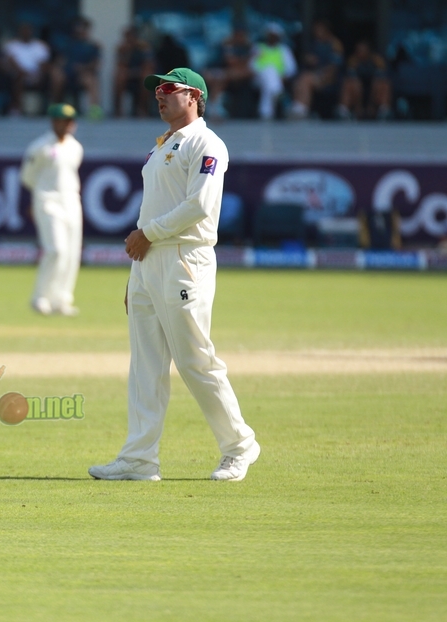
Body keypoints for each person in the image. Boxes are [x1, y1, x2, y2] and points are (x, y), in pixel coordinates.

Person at [88, 68, 259, 482]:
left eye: (168, 89)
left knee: (194, 358)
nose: (159, 96)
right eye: (156, 91)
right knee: (145, 364)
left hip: (185, 258)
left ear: (195, 96)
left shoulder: (206, 142)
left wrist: (149, 235)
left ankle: (239, 447)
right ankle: (139, 458)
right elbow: (153, 209)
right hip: (149, 261)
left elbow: (199, 206)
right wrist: (135, 274)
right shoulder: (162, 146)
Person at [20, 103, 84, 317]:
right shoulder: (40, 147)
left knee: (72, 252)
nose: (66, 125)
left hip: (72, 202)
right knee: (56, 249)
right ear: (53, 122)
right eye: (61, 121)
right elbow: (27, 177)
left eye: (69, 121)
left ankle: (62, 299)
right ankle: (41, 297)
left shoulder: (75, 147)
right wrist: (37, 197)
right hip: (47, 200)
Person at [289, 20, 344, 119]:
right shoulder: (315, 43)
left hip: (328, 79)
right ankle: (297, 107)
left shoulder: (335, 44)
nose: (316, 32)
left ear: (326, 31)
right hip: (314, 75)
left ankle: (302, 109)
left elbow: (334, 67)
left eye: (319, 30)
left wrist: (322, 76)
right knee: (301, 79)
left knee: (306, 79)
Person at [53, 17, 103, 119]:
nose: (80, 30)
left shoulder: (93, 46)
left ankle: (94, 111)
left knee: (91, 80)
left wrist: (83, 67)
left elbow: (95, 64)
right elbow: (60, 61)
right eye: (79, 27)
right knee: (57, 76)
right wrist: (60, 66)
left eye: (83, 28)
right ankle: (56, 107)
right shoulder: (67, 44)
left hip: (83, 75)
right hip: (67, 74)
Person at [203, 28, 255, 119]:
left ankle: (215, 105)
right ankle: (214, 106)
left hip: (237, 76)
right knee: (219, 78)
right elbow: (229, 61)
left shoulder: (248, 47)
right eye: (238, 35)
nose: (240, 37)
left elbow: (246, 67)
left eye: (242, 35)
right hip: (219, 72)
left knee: (226, 77)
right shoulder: (226, 45)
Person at [2, 23, 53, 116]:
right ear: (19, 32)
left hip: (37, 75)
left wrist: (37, 74)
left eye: (28, 30)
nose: (25, 32)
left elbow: (44, 64)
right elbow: (9, 62)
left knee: (52, 76)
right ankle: (17, 108)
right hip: (17, 75)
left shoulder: (40, 45)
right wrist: (24, 73)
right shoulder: (12, 45)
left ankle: (50, 107)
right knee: (18, 76)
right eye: (23, 30)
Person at [249, 23, 297, 120]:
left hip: (279, 79)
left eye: (274, 36)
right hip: (259, 78)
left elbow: (291, 69)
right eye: (270, 35)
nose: (272, 38)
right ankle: (280, 95)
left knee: (270, 84)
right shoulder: (258, 48)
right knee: (269, 71)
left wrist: (283, 76)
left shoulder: (284, 50)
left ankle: (266, 113)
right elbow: (251, 66)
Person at [337, 40, 392, 120]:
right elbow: (355, 82)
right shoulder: (353, 61)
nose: (361, 52)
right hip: (358, 89)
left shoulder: (377, 61)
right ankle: (344, 110)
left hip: (373, 89)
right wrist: (358, 106)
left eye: (363, 50)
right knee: (349, 84)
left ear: (369, 51)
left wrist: (371, 105)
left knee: (384, 84)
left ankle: (384, 111)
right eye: (359, 50)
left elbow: (377, 82)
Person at [113, 25, 156, 117]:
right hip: (127, 75)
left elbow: (149, 65)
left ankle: (142, 109)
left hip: (141, 74)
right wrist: (128, 52)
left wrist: (137, 72)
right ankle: (118, 110)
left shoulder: (144, 48)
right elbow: (121, 65)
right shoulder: (122, 48)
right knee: (119, 77)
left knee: (146, 77)